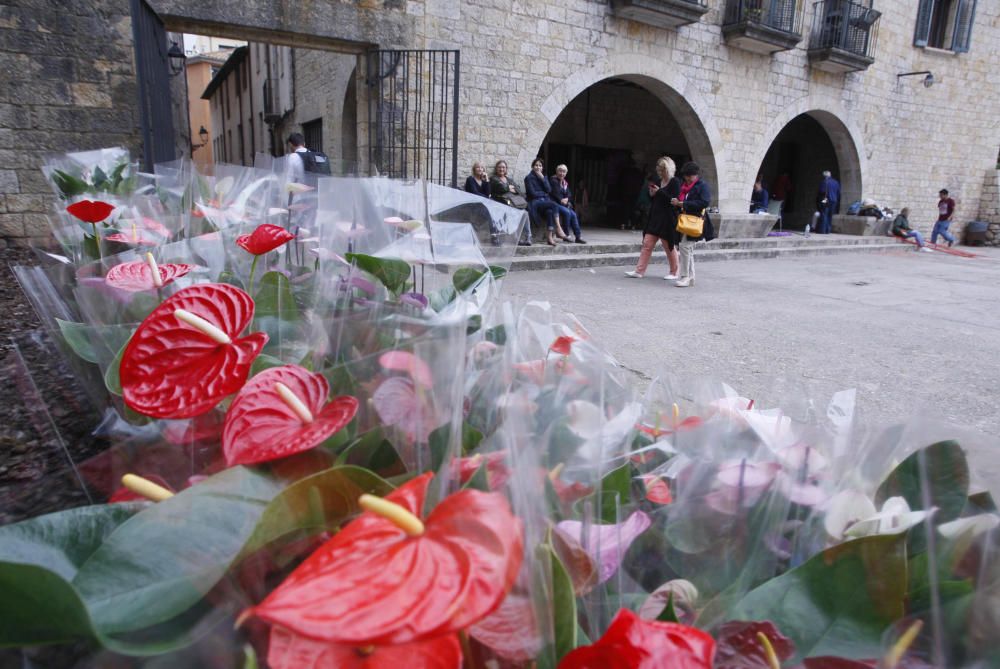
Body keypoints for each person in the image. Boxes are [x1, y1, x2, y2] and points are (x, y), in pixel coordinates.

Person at [625, 156, 680, 280]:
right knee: (647, 244)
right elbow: (655, 199)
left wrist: (659, 192)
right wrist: (651, 194)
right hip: (654, 217)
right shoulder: (657, 180)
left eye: (662, 171)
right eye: (659, 170)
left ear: (668, 170)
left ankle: (674, 272)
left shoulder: (675, 182)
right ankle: (639, 271)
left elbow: (673, 200)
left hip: (667, 219)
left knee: (669, 246)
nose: (660, 173)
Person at [671, 161, 715, 288]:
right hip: (685, 220)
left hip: (696, 222)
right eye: (686, 176)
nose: (688, 179)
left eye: (690, 176)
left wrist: (683, 204)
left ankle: (685, 276)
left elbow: (704, 202)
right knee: (687, 248)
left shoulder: (702, 186)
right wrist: (677, 203)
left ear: (696, 175)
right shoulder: (684, 186)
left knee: (684, 247)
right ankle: (690, 277)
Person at [524, 158, 566, 246]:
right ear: (532, 167)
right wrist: (544, 194)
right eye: (536, 165)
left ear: (542, 168)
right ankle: (558, 228)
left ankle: (549, 237)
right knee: (554, 204)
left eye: (540, 166)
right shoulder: (528, 178)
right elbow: (532, 194)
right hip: (534, 203)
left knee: (550, 212)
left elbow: (549, 190)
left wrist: (543, 179)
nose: (538, 167)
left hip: (544, 202)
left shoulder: (544, 177)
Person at [490, 160, 531, 246]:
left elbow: (519, 191)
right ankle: (515, 239)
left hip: (512, 202)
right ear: (496, 169)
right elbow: (501, 188)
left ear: (506, 169)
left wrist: (510, 188)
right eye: (500, 167)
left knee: (525, 213)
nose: (501, 169)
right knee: (511, 212)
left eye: (503, 167)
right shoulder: (494, 179)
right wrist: (509, 188)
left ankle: (528, 237)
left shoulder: (509, 179)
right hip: (501, 202)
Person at [549, 164, 585, 243]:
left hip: (563, 204)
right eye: (560, 171)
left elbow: (569, 194)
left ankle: (578, 236)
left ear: (566, 173)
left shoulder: (564, 183)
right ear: (556, 171)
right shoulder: (553, 180)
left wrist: (567, 199)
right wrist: (563, 200)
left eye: (564, 172)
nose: (562, 173)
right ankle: (566, 235)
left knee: (574, 214)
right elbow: (556, 193)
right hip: (555, 203)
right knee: (567, 212)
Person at [816, 170, 840, 234]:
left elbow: (821, 192)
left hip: (826, 200)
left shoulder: (824, 182)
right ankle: (828, 230)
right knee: (830, 215)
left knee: (824, 214)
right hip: (834, 201)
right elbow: (838, 193)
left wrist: (818, 201)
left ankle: (823, 230)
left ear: (824, 176)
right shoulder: (836, 182)